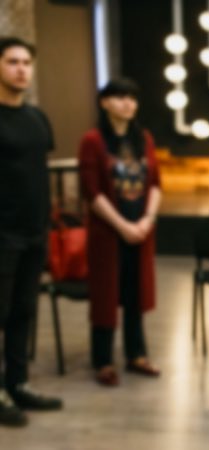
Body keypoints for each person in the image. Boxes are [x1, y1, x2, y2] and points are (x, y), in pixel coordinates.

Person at [78, 79, 162, 387]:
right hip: (108, 233)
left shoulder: (144, 138)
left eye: (132, 98)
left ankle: (136, 354)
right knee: (105, 293)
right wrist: (123, 226)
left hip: (140, 229)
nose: (128, 103)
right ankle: (103, 360)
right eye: (120, 97)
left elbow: (155, 184)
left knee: (135, 291)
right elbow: (92, 191)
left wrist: (146, 221)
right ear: (105, 103)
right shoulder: (93, 140)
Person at [0, 36, 63, 427]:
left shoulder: (37, 117)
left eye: (26, 62)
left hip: (33, 232)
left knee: (23, 311)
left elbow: (38, 173)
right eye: (12, 62)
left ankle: (17, 382)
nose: (21, 68)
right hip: (1, 234)